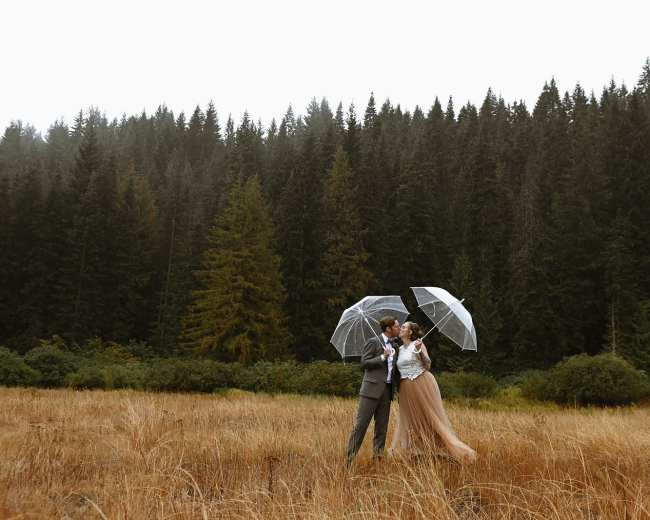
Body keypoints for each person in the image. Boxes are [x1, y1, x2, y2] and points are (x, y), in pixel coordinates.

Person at [389, 321, 477, 462]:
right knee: (412, 418)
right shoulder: (399, 349)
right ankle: (417, 450)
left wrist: (419, 352)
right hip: (405, 387)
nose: (401, 329)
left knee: (429, 415)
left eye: (404, 327)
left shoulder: (418, 344)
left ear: (410, 332)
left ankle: (446, 448)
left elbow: (428, 365)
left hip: (422, 382)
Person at [346, 315, 413, 465]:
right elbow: (363, 363)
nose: (398, 328)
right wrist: (382, 357)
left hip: (387, 392)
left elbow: (397, 369)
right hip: (370, 391)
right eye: (396, 326)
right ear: (388, 329)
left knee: (381, 429)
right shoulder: (373, 342)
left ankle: (377, 461)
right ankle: (349, 460)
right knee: (360, 426)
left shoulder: (395, 346)